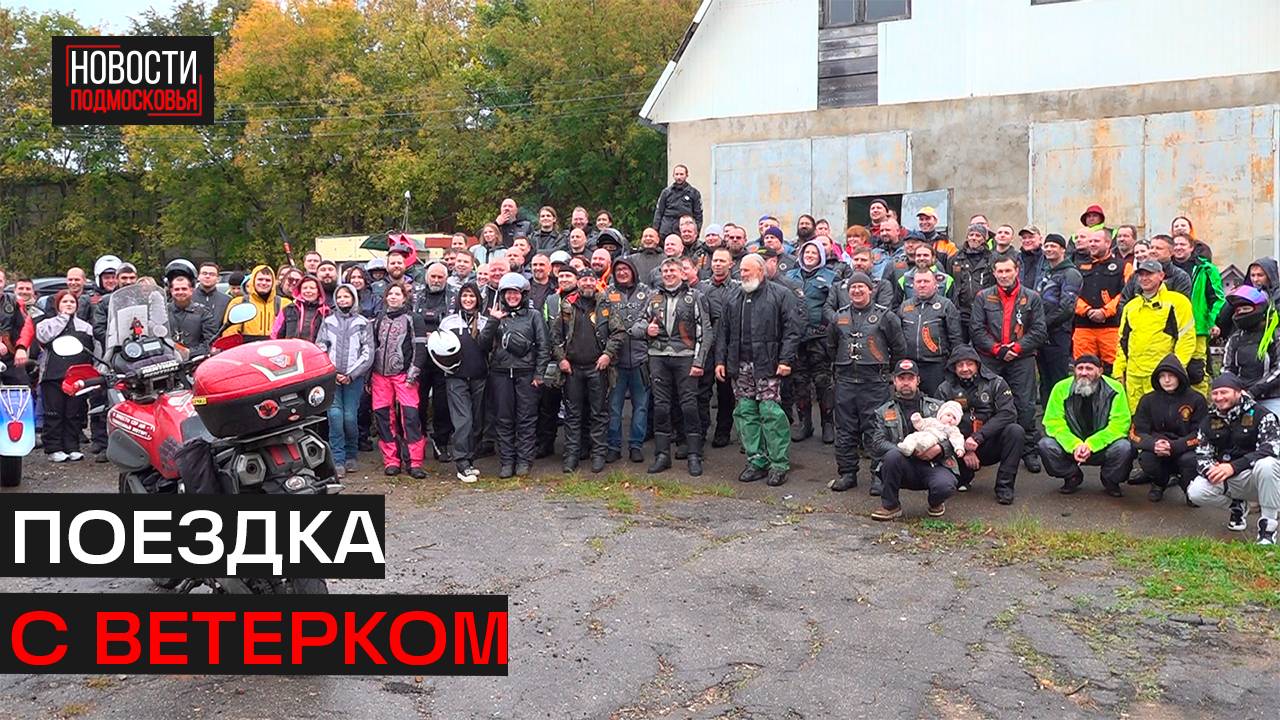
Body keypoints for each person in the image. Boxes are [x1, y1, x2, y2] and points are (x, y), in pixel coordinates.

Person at [715, 254, 802, 487]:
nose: (742, 274)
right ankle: (756, 461)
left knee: (771, 412)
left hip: (769, 364)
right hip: (740, 365)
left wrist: (786, 360)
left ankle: (778, 464)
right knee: (745, 412)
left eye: (747, 270)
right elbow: (722, 332)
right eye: (741, 270)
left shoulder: (781, 294)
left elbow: (793, 330)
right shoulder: (733, 296)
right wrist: (720, 361)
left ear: (761, 271)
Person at [826, 271, 906, 493]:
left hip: (874, 383)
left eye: (861, 287)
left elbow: (899, 347)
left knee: (876, 431)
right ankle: (847, 473)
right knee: (844, 430)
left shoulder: (885, 316)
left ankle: (879, 477)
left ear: (871, 290)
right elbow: (831, 346)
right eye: (853, 287)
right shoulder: (839, 316)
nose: (857, 290)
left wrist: (889, 373)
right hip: (845, 381)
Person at [635, 258, 710, 476]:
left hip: (685, 356)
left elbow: (705, 331)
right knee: (661, 406)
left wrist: (699, 362)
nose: (668, 274)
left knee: (689, 406)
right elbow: (636, 325)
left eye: (672, 270)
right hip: (658, 356)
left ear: (682, 273)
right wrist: (646, 329)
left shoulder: (695, 297)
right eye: (665, 270)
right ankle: (662, 455)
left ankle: (694, 454)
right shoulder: (653, 297)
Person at [971, 256, 1047, 472]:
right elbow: (976, 329)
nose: (1004, 275)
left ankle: (1028, 450)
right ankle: (985, 447)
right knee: (986, 403)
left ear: (1016, 270)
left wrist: (1017, 348)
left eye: (1008, 271)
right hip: (990, 358)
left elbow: (1039, 330)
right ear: (994, 273)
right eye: (1000, 271)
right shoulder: (982, 297)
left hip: (1021, 358)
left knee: (1025, 405)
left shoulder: (1032, 297)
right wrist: (997, 349)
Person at [1188, 373, 1279, 544]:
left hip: (1258, 478)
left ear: (1239, 392)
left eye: (1224, 392)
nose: (1219, 397)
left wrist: (1233, 467)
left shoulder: (1262, 415)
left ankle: (1268, 528)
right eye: (1215, 393)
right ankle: (1237, 506)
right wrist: (1210, 470)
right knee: (1196, 491)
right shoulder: (1209, 419)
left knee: (1267, 464)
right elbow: (1202, 454)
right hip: (1229, 478)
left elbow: (1272, 447)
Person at [550, 268, 622, 474]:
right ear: (578, 283)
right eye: (584, 280)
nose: (588, 283)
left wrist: (608, 354)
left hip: (597, 367)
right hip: (572, 369)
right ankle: (571, 456)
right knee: (572, 415)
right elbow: (555, 336)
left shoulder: (606, 304)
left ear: (596, 282)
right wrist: (561, 359)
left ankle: (598, 454)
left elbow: (618, 332)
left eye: (591, 279)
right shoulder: (567, 304)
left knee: (598, 414)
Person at [869, 360, 960, 520]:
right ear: (894, 381)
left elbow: (956, 435)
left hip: (934, 464)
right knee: (891, 456)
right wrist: (906, 451)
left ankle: (935, 502)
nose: (906, 383)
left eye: (910, 378)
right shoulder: (883, 411)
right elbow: (877, 443)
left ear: (918, 380)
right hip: (901, 465)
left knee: (945, 486)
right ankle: (891, 506)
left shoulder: (938, 407)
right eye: (901, 378)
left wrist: (939, 449)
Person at [479, 273, 549, 478]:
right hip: (500, 373)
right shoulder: (496, 315)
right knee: (503, 419)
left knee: (526, 419)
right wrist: (493, 321)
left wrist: (539, 374)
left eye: (516, 293)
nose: (512, 296)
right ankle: (507, 461)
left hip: (527, 374)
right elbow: (483, 345)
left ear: (523, 294)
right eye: (508, 293)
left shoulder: (534, 316)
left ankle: (524, 461)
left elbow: (543, 346)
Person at [936, 345, 1024, 503]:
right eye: (960, 365)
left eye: (969, 364)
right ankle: (962, 477)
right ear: (953, 367)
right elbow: (938, 424)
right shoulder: (944, 388)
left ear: (977, 365)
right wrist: (964, 448)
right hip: (957, 448)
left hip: (987, 442)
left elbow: (1008, 413)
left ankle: (1004, 487)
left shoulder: (996, 383)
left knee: (1015, 431)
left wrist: (978, 437)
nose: (965, 369)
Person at [1039, 355, 1133, 496]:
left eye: (1089, 368)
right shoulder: (1060, 388)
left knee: (1124, 447)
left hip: (1103, 446)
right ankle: (1072, 476)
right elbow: (1053, 422)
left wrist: (1091, 445)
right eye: (1080, 368)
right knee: (1046, 445)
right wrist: (1075, 445)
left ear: (1100, 371)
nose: (1083, 372)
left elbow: (1119, 425)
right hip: (1071, 446)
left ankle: (1110, 480)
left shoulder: (1115, 389)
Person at [1112, 260, 1196, 413]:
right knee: (1137, 419)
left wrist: (1176, 369)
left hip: (1162, 376)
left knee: (1165, 417)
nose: (1144, 278)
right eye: (1141, 275)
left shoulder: (1177, 302)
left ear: (1161, 276)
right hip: (1134, 377)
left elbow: (1186, 337)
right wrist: (1118, 370)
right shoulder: (1131, 306)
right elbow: (1123, 341)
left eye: (1149, 274)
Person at [370, 282, 428, 478]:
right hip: (380, 375)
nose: (393, 297)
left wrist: (414, 371)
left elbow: (420, 347)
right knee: (383, 418)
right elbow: (373, 346)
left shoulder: (413, 318)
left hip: (405, 375)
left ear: (404, 297)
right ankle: (391, 460)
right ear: (386, 297)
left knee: (410, 417)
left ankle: (415, 462)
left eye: (397, 294)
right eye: (390, 294)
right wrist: (370, 376)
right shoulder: (379, 318)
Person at [315, 284, 373, 479]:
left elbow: (367, 352)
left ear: (353, 299)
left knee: (349, 417)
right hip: (332, 378)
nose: (342, 300)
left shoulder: (363, 322)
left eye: (346, 297)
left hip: (353, 379)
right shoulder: (328, 321)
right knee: (334, 416)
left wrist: (351, 374)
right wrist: (331, 372)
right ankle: (338, 458)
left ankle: (351, 454)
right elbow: (320, 347)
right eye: (339, 297)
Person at [1130, 354, 1206, 503]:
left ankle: (1189, 489)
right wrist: (1153, 444)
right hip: (1158, 447)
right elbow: (1136, 432)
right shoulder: (1147, 400)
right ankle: (1159, 483)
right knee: (1146, 458)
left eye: (1171, 376)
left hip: (1185, 449)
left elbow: (1201, 434)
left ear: (1180, 377)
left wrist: (1175, 446)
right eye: (1162, 376)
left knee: (1190, 460)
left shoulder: (1197, 399)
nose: (1166, 380)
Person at [786, 239, 837, 443]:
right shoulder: (790, 276)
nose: (809, 256)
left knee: (823, 381)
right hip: (796, 337)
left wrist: (826, 326)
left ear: (821, 257)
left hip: (819, 337)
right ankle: (805, 423)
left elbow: (833, 304)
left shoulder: (831, 277)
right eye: (806, 252)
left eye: (814, 253)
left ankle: (828, 424)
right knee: (799, 382)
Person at [600, 258, 651, 464]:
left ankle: (636, 445)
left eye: (625, 269)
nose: (622, 272)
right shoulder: (607, 293)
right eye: (618, 269)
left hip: (640, 358)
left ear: (633, 271)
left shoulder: (646, 292)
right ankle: (613, 446)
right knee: (614, 407)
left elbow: (651, 317)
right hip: (615, 361)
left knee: (641, 406)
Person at [439, 282, 489, 481]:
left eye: (472, 296)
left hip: (479, 377)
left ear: (478, 299)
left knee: (477, 422)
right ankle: (461, 463)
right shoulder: (448, 322)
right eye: (465, 296)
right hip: (456, 378)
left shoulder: (484, 322)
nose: (468, 300)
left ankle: (469, 459)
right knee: (463, 421)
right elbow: (439, 350)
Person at [35, 290, 92, 463]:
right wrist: (63, 319)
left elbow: (93, 349)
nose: (69, 304)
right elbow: (43, 337)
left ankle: (72, 447)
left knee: (73, 413)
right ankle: (54, 448)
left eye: (72, 302)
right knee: (54, 413)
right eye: (65, 301)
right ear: (57, 305)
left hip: (77, 376)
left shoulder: (86, 327)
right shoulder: (46, 324)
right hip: (52, 375)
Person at [412, 262, 455, 461]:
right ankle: (418, 440)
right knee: (417, 401)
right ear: (427, 277)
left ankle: (441, 442)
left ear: (446, 278)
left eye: (440, 277)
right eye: (433, 277)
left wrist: (437, 337)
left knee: (442, 403)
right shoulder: (415, 295)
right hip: (419, 356)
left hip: (443, 357)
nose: (436, 280)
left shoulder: (454, 296)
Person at [1171, 233, 1224, 396]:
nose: (1178, 248)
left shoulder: (1206, 269)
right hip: (1170, 328)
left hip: (1197, 328)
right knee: (1171, 368)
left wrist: (1212, 322)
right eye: (1175, 244)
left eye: (1182, 244)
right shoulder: (1165, 269)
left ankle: (1199, 403)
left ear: (1191, 248)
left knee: (1196, 372)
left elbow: (1217, 298)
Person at [898, 268, 963, 396]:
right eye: (918, 282)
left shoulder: (946, 305)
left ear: (935, 285)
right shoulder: (904, 306)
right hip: (910, 366)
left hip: (936, 366)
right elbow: (897, 337)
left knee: (936, 402)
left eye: (926, 281)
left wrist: (953, 365)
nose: (922, 285)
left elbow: (956, 338)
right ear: (913, 285)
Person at [1073, 230, 1131, 371]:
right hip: (1083, 327)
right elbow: (1071, 293)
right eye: (1090, 241)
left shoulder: (1123, 266)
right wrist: (1086, 310)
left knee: (1115, 369)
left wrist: (1105, 312)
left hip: (1112, 327)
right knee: (1084, 368)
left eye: (1096, 241)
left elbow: (1126, 293)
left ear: (1108, 243)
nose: (1092, 244)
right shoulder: (1077, 267)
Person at [1036, 234, 1083, 403]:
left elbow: (1067, 308)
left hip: (1058, 334)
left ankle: (1063, 414)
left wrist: (1042, 324)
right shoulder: (1045, 272)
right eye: (1047, 246)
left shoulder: (1071, 273)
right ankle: (1047, 415)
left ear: (1063, 249)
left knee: (1058, 380)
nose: (1049, 249)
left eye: (1053, 246)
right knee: (1044, 379)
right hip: (1041, 335)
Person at [701, 248, 739, 446]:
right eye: (715, 260)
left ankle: (723, 432)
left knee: (726, 393)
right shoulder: (702, 288)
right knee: (702, 392)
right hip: (706, 346)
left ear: (731, 264)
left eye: (722, 261)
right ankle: (701, 430)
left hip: (728, 347)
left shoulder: (738, 289)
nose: (717, 264)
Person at [223, 264, 288, 341]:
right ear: (253, 281)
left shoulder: (285, 304)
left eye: (268, 280)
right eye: (260, 279)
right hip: (247, 347)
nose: (264, 283)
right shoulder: (239, 302)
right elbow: (229, 333)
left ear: (273, 283)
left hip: (276, 346)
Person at [1119, 235, 1192, 302]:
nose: (1153, 251)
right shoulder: (1136, 275)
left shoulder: (1180, 277)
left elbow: (1181, 304)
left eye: (1158, 248)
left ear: (1171, 252)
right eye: (1151, 248)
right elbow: (1124, 300)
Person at [949, 224, 994, 331]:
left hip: (985, 312)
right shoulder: (955, 259)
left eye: (978, 235)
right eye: (971, 235)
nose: (974, 238)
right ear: (967, 237)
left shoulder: (992, 259)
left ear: (984, 239)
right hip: (961, 312)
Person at [165, 273, 217, 358]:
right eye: (177, 289)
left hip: (195, 360)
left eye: (184, 289)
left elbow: (211, 342)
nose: (180, 292)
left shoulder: (203, 313)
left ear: (191, 290)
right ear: (171, 291)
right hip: (169, 359)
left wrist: (189, 352)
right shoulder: (163, 312)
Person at [653, 164, 703, 238]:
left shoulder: (694, 193)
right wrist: (655, 231)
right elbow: (659, 212)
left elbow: (698, 215)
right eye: (676, 174)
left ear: (687, 175)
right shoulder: (666, 192)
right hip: (666, 230)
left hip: (684, 231)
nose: (679, 177)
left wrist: (696, 232)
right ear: (673, 175)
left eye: (681, 174)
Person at [272, 275, 327, 342]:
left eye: (312, 288)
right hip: (291, 347)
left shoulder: (325, 312)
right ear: (300, 291)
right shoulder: (288, 309)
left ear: (318, 292)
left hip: (315, 348)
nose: (308, 291)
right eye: (305, 288)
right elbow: (276, 334)